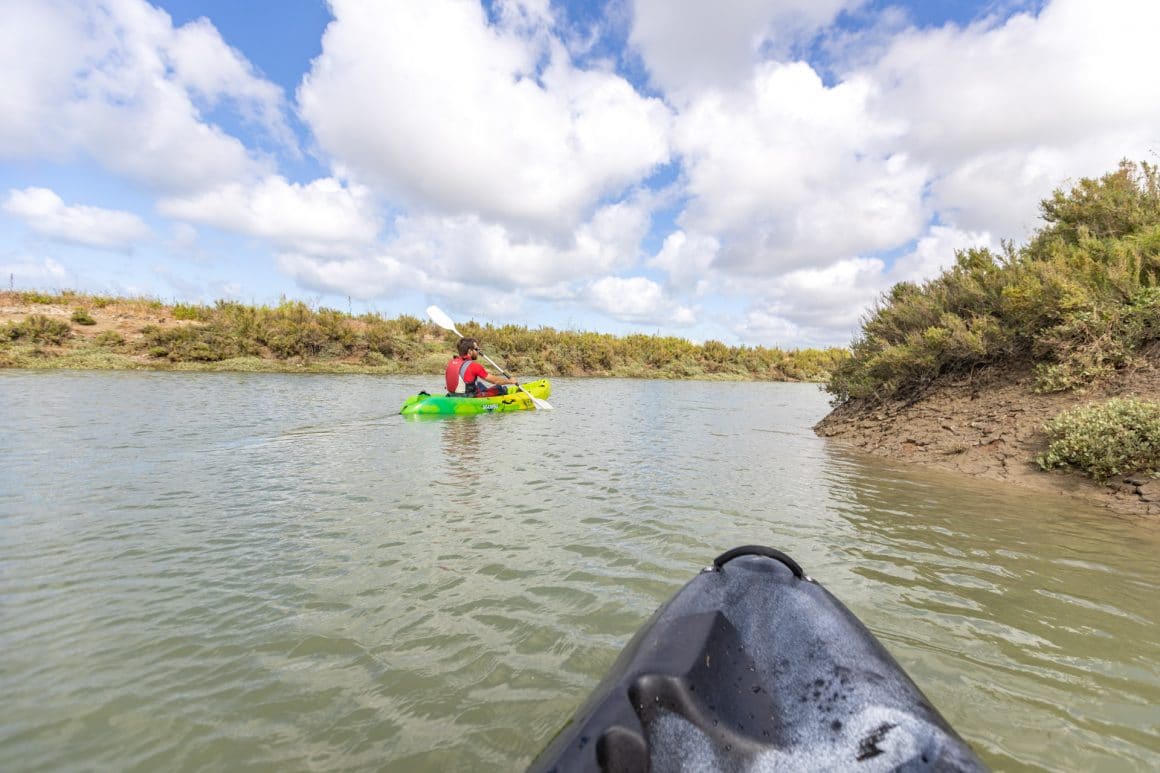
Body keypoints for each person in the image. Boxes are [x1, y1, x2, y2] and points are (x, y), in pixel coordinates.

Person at [444, 337, 518, 397]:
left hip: (452, 395)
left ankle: (486, 391)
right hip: (468, 397)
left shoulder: (451, 362)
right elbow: (495, 381)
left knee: (479, 384)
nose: (478, 351)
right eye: (476, 349)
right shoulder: (474, 366)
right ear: (470, 351)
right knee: (499, 388)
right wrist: (510, 381)